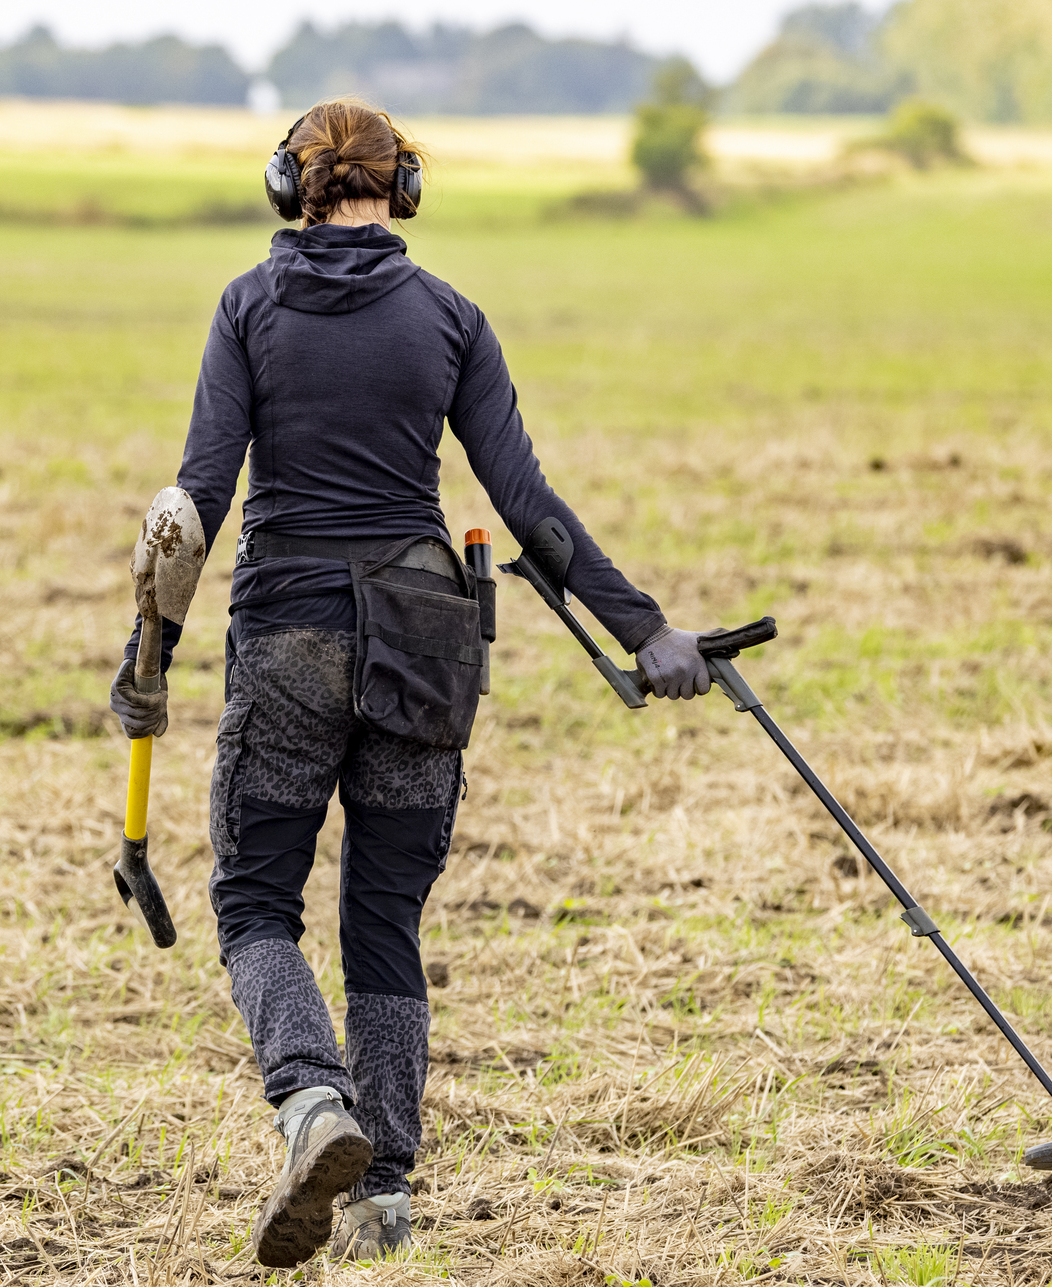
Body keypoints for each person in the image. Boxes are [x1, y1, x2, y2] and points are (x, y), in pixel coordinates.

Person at [109, 98, 710, 1268]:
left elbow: (193, 504)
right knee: (383, 915)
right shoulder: (449, 317)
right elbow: (526, 505)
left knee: (251, 907)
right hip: (424, 643)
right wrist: (645, 631)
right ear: (407, 190)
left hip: (286, 636)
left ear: (290, 187)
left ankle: (310, 1104)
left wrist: (149, 661)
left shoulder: (245, 308)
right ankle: (382, 1195)